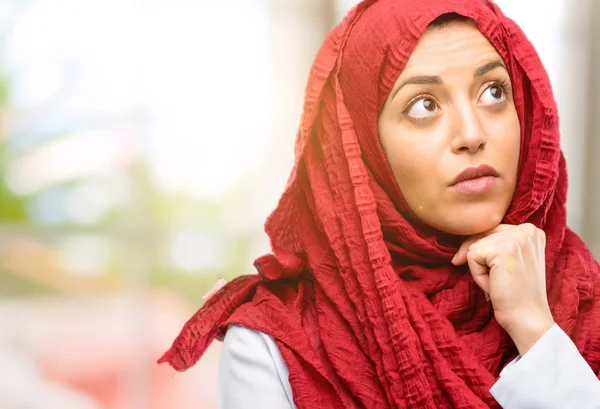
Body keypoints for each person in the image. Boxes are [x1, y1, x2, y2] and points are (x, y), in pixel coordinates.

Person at [159, 0, 600, 408]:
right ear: (361, 148)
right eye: (424, 105)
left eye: (493, 93)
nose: (471, 133)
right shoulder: (277, 343)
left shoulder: (583, 298)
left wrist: (536, 330)